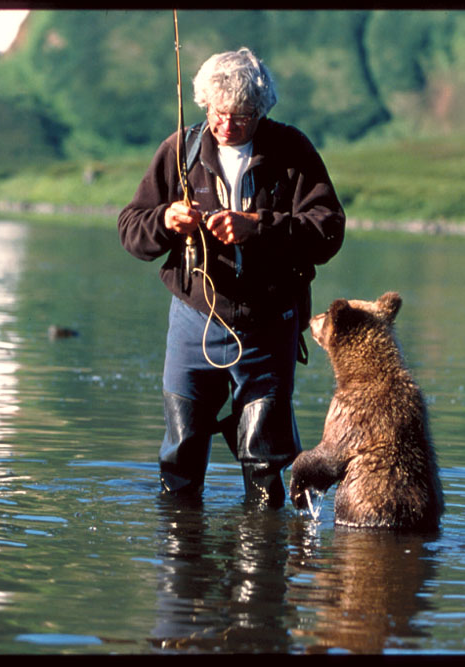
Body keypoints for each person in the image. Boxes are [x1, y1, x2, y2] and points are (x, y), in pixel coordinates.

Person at [118, 47, 345, 508]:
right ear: (205, 105)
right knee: (180, 457)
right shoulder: (179, 150)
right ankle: (184, 561)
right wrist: (165, 220)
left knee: (266, 463)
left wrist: (258, 227)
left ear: (261, 110)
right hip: (193, 321)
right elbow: (131, 229)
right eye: (220, 114)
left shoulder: (292, 151)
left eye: (242, 115)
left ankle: (262, 563)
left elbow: (328, 229)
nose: (228, 125)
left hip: (269, 327)